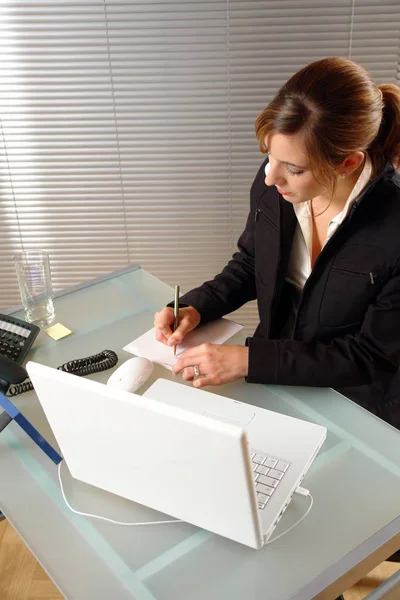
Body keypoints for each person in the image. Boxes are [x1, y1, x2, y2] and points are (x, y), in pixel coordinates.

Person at [154, 56, 400, 431]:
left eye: (293, 168)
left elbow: (371, 355)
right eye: (270, 155)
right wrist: (195, 307)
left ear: (348, 163)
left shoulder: (394, 230)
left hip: (356, 405)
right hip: (276, 380)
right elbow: (251, 263)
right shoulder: (277, 185)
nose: (270, 178)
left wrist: (249, 361)